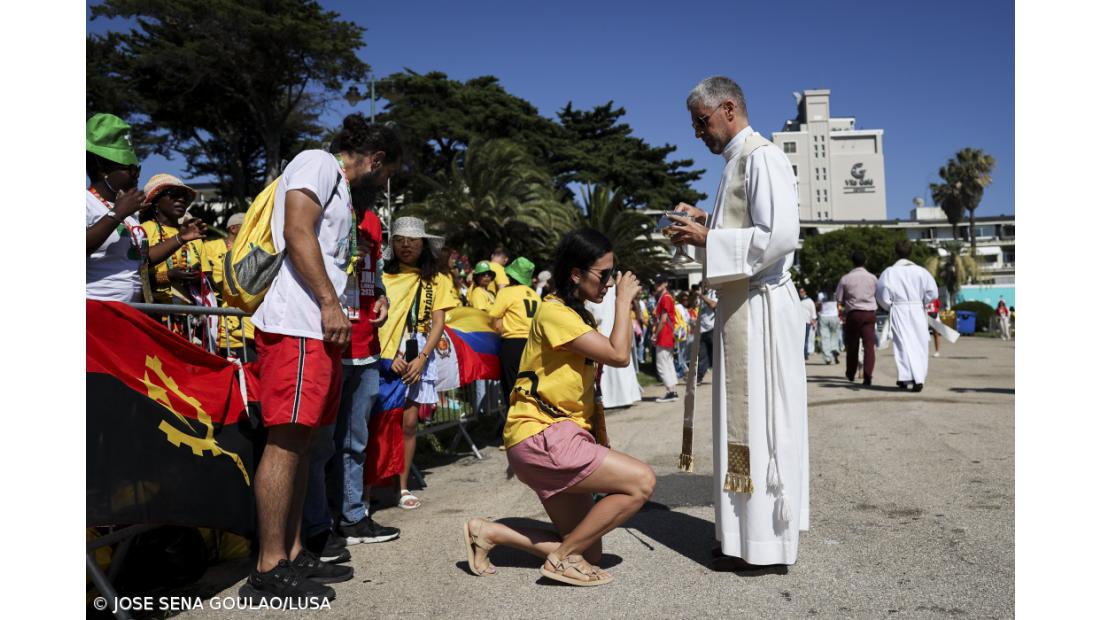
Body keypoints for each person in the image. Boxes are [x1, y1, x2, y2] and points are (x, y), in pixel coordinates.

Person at [243, 115, 401, 603]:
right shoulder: (317, 162)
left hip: (318, 329)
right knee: (287, 440)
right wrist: (331, 303)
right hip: (297, 324)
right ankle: (269, 565)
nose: (386, 181)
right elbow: (298, 231)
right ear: (374, 160)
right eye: (387, 171)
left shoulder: (338, 184)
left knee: (307, 442)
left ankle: (291, 552)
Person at [668, 76, 809, 568]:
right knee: (739, 420)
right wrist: (705, 224)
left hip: (763, 311)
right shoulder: (735, 164)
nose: (698, 133)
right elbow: (744, 230)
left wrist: (708, 241)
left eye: (702, 122)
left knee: (763, 421)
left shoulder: (762, 157)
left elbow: (779, 236)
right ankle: (739, 538)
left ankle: (767, 541)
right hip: (740, 307)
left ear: (728, 109)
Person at [461, 228, 654, 586]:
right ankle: (560, 560)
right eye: (605, 274)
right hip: (541, 434)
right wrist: (624, 302)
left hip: (555, 435)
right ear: (576, 274)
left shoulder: (579, 316)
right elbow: (619, 355)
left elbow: (599, 372)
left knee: (590, 552)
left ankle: (489, 533)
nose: (611, 283)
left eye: (614, 274)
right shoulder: (554, 313)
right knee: (641, 482)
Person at [377, 216, 460, 510]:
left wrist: (422, 357)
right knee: (380, 421)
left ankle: (401, 487)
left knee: (409, 423)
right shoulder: (382, 276)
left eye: (412, 240)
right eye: (399, 240)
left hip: (420, 351)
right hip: (387, 352)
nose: (406, 245)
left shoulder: (436, 279)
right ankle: (371, 486)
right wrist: (390, 354)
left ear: (423, 244)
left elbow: (438, 322)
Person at [86, 113, 204, 302]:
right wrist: (116, 214)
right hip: (96, 311)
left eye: (138, 169)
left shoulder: (128, 212)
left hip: (131, 311)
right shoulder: (87, 202)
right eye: (130, 169)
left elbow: (141, 258)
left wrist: (180, 238)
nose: (136, 175)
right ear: (102, 167)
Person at [876, 239, 938, 392]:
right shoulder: (921, 271)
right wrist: (922, 301)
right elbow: (933, 292)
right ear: (911, 252)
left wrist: (889, 305)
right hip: (917, 307)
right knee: (920, 342)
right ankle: (919, 377)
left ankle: (906, 377)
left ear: (896, 252)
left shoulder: (889, 272)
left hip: (899, 308)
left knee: (902, 343)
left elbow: (881, 294)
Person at [140, 175, 208, 309]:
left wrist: (196, 277)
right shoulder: (143, 230)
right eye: (175, 194)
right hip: (157, 315)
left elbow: (207, 277)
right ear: (156, 201)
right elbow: (135, 275)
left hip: (191, 319)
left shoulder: (194, 234)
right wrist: (167, 276)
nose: (181, 199)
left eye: (185, 197)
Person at [488, 256, 541, 424]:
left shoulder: (506, 293)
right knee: (531, 391)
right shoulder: (535, 295)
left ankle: (515, 432)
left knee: (512, 391)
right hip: (533, 346)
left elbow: (494, 320)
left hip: (512, 345)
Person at [202, 213, 255, 359]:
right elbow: (217, 282)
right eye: (249, 225)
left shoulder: (253, 248)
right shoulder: (210, 247)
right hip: (230, 330)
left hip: (253, 327)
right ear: (233, 228)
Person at [585, 282, 643, 408]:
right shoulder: (617, 290)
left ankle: (611, 397)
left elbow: (597, 314)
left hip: (604, 330)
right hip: (617, 327)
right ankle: (626, 395)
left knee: (612, 362)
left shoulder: (597, 294)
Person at [836, 249, 880, 386]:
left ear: (852, 262)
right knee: (869, 346)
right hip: (869, 313)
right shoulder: (873, 278)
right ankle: (868, 375)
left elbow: (839, 298)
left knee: (853, 346)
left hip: (853, 314)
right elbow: (878, 295)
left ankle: (850, 373)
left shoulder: (845, 278)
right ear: (865, 262)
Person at [651, 277, 679, 403]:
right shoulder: (666, 297)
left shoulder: (665, 298)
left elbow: (663, 319)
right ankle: (672, 391)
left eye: (659, 283)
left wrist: (655, 334)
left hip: (664, 334)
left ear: (665, 283)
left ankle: (670, 391)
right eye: (656, 283)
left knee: (662, 364)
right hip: (668, 334)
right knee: (668, 362)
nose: (657, 285)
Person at [695, 287, 718, 382]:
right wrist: (695, 296)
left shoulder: (714, 292)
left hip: (712, 328)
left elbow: (714, 305)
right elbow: (692, 306)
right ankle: (699, 377)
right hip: (702, 329)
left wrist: (701, 296)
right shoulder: (704, 293)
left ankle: (720, 376)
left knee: (716, 354)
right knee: (702, 355)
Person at [818, 293, 841, 365]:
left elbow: (819, 305)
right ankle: (834, 349)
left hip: (824, 316)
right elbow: (838, 305)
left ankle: (828, 357)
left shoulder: (821, 294)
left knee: (825, 338)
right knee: (834, 335)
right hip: (834, 315)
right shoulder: (835, 293)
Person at [799, 288, 817, 362]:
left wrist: (813, 320)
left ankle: (805, 354)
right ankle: (801, 354)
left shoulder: (809, 301)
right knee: (800, 339)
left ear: (805, 292)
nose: (801, 293)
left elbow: (813, 311)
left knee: (805, 339)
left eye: (802, 292)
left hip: (807, 322)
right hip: (799, 322)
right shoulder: (798, 300)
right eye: (800, 292)